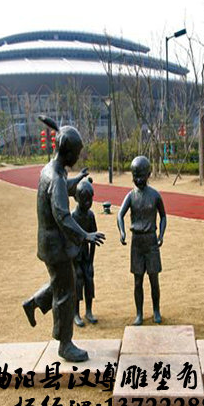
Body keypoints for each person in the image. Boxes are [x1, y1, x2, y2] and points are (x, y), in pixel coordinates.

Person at [22, 117, 105, 362]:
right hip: (55, 245)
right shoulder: (56, 178)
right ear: (67, 152)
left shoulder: (50, 170)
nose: (78, 158)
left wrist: (78, 179)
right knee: (66, 291)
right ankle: (65, 344)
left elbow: (62, 189)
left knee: (61, 281)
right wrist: (85, 235)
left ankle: (34, 303)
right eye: (76, 153)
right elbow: (63, 216)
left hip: (49, 243)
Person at [117, 156, 167, 326]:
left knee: (154, 279)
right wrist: (122, 232)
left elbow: (163, 216)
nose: (138, 179)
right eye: (135, 176)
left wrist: (161, 235)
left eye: (141, 176)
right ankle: (139, 313)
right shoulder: (131, 196)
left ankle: (156, 311)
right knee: (137, 281)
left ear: (148, 174)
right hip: (136, 242)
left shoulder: (155, 195)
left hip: (151, 241)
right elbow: (120, 215)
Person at [72, 178, 98, 327]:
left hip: (86, 255)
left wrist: (91, 261)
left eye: (90, 200)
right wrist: (74, 262)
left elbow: (94, 239)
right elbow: (69, 240)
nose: (88, 203)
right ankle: (75, 313)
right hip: (75, 255)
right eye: (85, 200)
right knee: (77, 281)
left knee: (89, 280)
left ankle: (89, 311)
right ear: (77, 199)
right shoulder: (73, 217)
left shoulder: (90, 216)